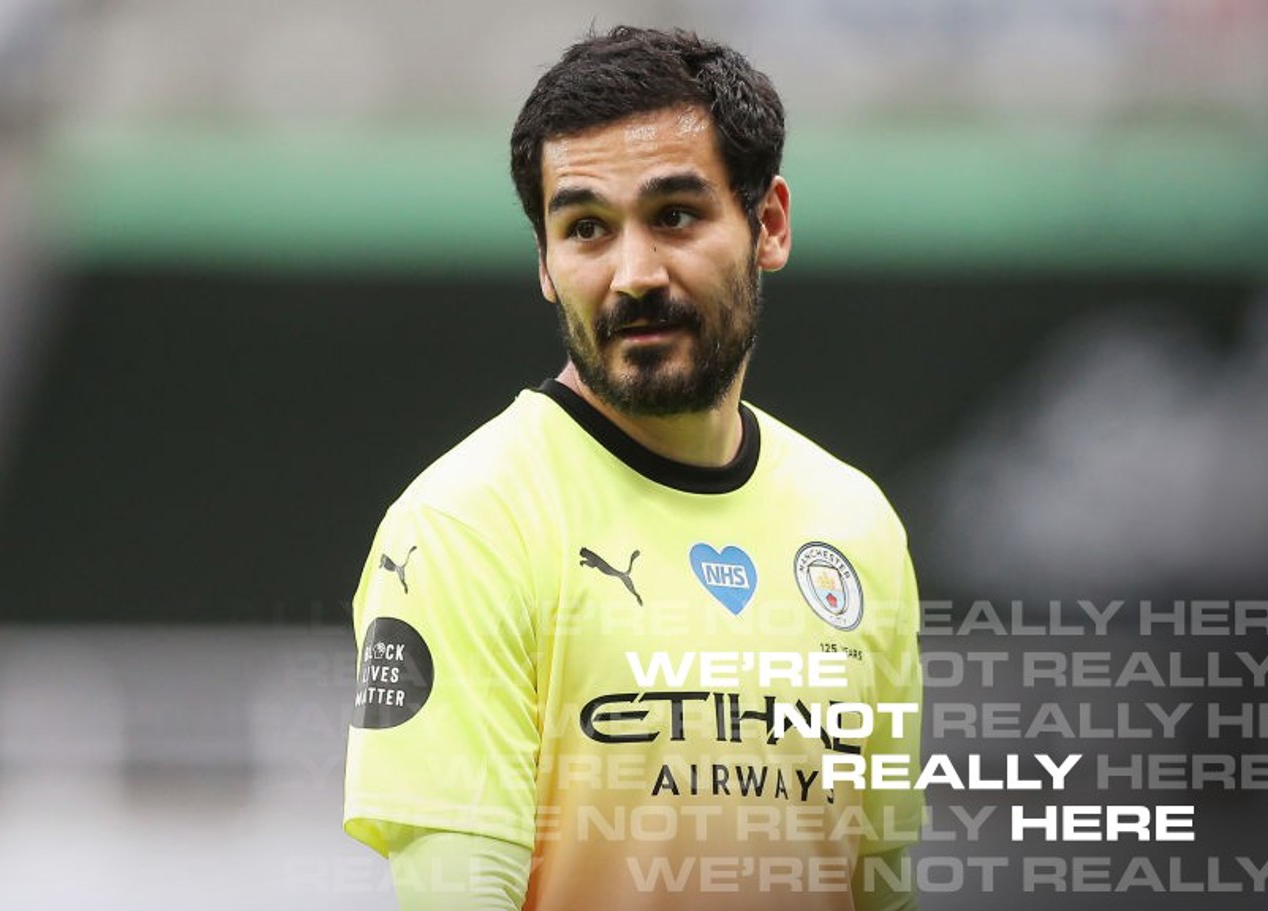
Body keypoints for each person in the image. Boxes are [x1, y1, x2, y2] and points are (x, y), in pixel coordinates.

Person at [343, 26, 922, 911]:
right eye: (586, 229)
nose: (634, 274)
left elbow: (877, 883)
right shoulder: (464, 526)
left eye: (675, 215)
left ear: (768, 224)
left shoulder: (857, 523)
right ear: (545, 263)